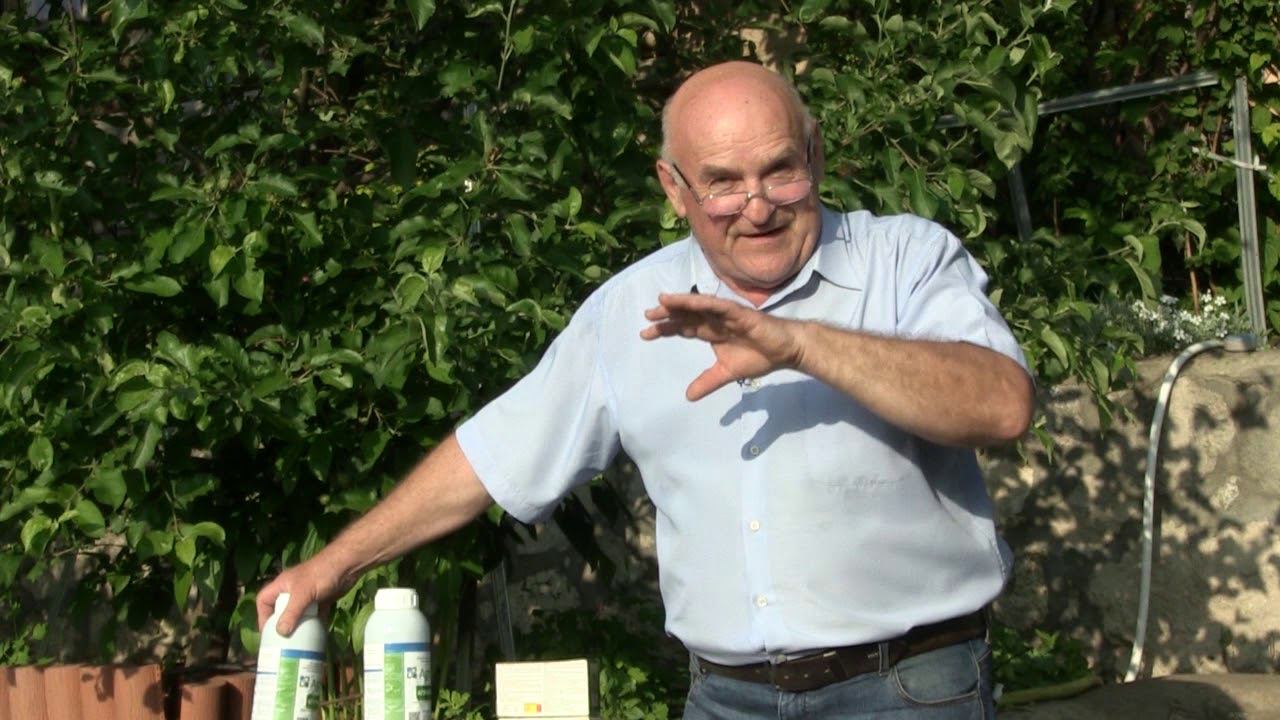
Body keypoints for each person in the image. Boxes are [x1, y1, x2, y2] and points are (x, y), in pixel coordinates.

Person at [258, 61, 1035, 718]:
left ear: (817, 155)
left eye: (780, 171)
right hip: (725, 699)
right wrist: (335, 566)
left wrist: (801, 344)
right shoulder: (629, 309)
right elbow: (494, 454)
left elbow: (1000, 405)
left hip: (905, 690)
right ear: (673, 187)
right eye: (722, 183)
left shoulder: (905, 260)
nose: (758, 206)